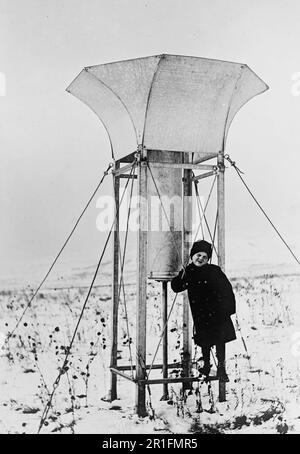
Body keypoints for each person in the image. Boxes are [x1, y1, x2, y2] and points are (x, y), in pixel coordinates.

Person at [171, 240, 236, 381]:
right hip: (201, 313)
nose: (200, 259)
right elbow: (176, 287)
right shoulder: (189, 272)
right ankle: (206, 365)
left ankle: (221, 369)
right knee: (204, 340)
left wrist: (228, 308)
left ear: (208, 259)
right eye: (198, 255)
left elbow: (227, 289)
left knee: (220, 340)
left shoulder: (214, 270)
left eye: (204, 257)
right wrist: (181, 274)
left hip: (218, 312)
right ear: (192, 255)